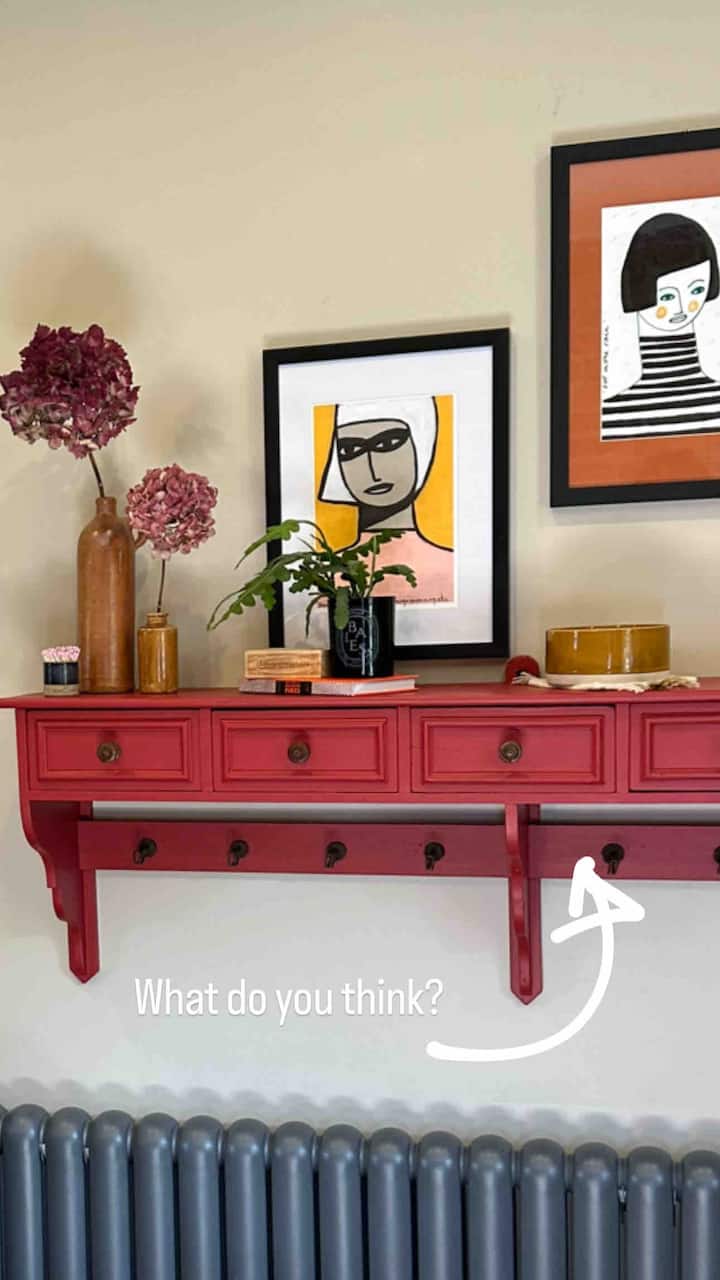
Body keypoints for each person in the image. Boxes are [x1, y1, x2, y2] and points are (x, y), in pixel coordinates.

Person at [318, 395, 453, 602]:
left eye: (389, 443)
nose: (372, 468)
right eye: (351, 450)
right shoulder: (324, 577)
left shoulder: (450, 567)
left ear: (420, 446)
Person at [601, 212, 720, 440]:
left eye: (696, 290)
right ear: (640, 291)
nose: (683, 307)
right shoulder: (611, 415)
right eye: (667, 296)